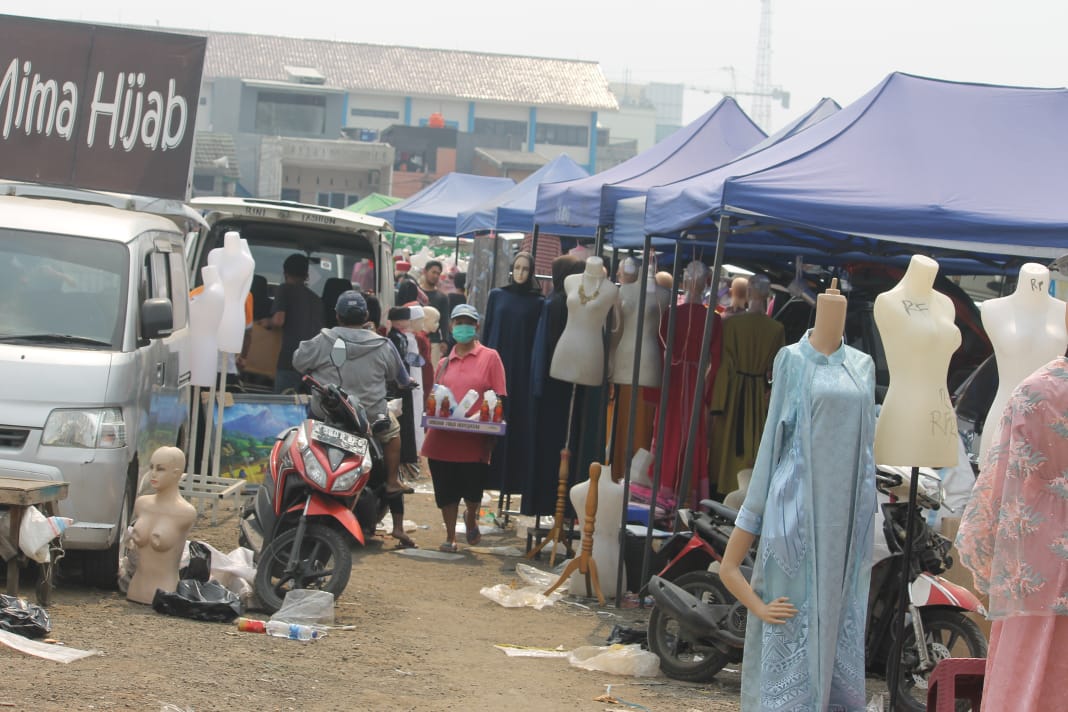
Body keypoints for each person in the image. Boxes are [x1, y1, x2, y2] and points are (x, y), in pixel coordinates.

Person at [718, 281, 877, 711]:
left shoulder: (863, 366)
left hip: (846, 520)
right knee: (793, 648)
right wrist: (756, 508)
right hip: (795, 519)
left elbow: (867, 453)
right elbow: (774, 439)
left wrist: (868, 519)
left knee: (839, 630)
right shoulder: (791, 359)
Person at [956, 352, 1068, 711]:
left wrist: (993, 563)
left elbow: (998, 488)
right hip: (1037, 564)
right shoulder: (1034, 390)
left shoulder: (1033, 391)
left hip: (1035, 561)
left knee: (1028, 677)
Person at [292, 291, 416, 547]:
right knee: (393, 432)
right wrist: (407, 382)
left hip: (328, 416)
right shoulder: (382, 344)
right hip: (368, 422)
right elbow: (400, 377)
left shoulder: (323, 339)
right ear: (367, 316)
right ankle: (394, 489)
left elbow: (298, 361)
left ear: (337, 315)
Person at [420, 304, 507, 552]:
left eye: (468, 322)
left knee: (472, 488)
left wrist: (492, 432)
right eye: (458, 323)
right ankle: (450, 536)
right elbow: (435, 396)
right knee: (445, 489)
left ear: (476, 326)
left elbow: (499, 395)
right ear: (451, 326)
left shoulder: (490, 358)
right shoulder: (445, 363)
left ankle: (471, 515)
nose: (462, 327)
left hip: (474, 439)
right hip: (442, 438)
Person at [482, 252, 544, 498]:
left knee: (515, 422)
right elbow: (488, 333)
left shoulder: (538, 302)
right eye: (517, 267)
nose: (520, 273)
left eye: (525, 269)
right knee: (491, 419)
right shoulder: (497, 296)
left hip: (520, 372)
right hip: (496, 366)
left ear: (531, 272)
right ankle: (487, 476)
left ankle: (513, 482)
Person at [127, 446, 198, 605]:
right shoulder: (142, 504)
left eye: (160, 469)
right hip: (135, 589)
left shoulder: (185, 512)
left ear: (176, 473)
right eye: (151, 467)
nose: (153, 473)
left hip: (165, 592)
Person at [270, 254, 323, 394]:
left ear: (285, 273)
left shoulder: (285, 289)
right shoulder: (317, 300)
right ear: (306, 275)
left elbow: (278, 320)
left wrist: (266, 322)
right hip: (313, 362)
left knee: (283, 405)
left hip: (289, 360)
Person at [418, 259, 451, 345]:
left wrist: (444, 340)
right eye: (433, 272)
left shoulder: (442, 297)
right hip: (416, 338)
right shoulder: (416, 292)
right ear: (425, 271)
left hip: (433, 341)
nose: (436, 276)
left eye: (438, 273)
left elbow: (444, 320)